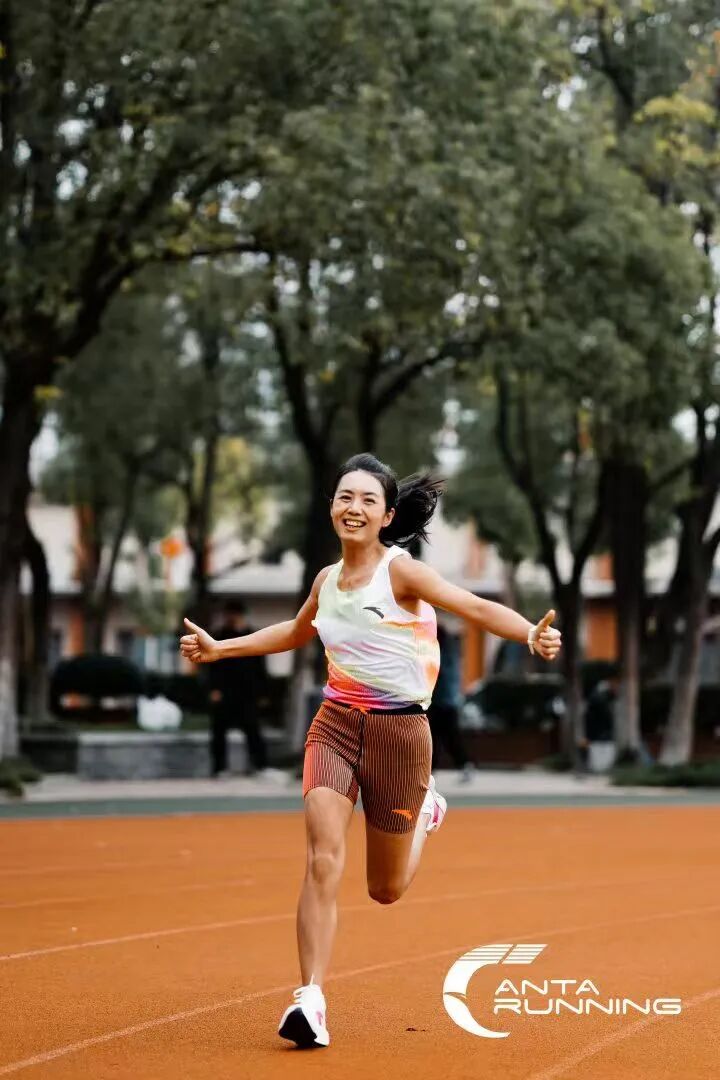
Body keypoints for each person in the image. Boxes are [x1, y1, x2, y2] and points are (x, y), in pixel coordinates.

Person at [179, 452, 561, 1049]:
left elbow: (474, 606)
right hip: (334, 726)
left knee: (385, 889)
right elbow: (296, 631)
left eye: (367, 500)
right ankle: (310, 998)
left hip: (401, 736)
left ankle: (425, 812)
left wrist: (529, 633)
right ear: (332, 506)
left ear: (386, 516)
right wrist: (221, 649)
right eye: (344, 496)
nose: (353, 507)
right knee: (322, 858)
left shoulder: (401, 573)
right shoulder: (326, 581)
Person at [204, 600, 268, 777]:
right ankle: (219, 768)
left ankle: (259, 766)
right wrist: (213, 689)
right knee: (219, 730)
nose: (231, 618)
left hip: (247, 692)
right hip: (225, 692)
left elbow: (260, 667)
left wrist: (262, 692)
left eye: (234, 614)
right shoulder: (219, 636)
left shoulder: (253, 635)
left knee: (253, 728)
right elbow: (212, 667)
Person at [429, 622, 475, 781]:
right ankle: (432, 769)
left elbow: (438, 673)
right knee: (439, 737)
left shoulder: (443, 654)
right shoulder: (449, 653)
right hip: (445, 702)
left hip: (443, 702)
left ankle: (463, 764)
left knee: (445, 737)